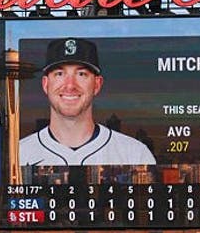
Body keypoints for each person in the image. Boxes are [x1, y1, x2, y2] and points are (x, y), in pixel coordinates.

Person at [19, 37, 155, 167]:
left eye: (81, 74)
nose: (70, 85)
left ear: (97, 84)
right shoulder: (19, 153)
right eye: (60, 74)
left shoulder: (135, 154)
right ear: (45, 84)